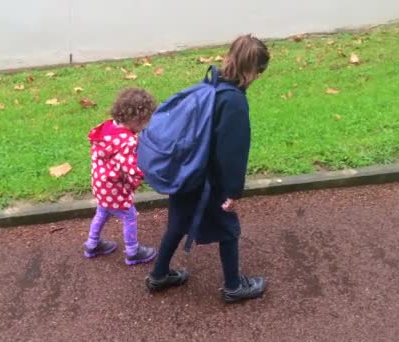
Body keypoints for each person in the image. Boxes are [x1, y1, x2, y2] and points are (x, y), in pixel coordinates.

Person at [145, 35, 270, 303]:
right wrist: (233, 191)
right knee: (229, 229)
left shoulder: (209, 84)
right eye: (260, 71)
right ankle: (234, 287)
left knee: (177, 224)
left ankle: (158, 275)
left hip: (186, 171)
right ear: (252, 70)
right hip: (208, 180)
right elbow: (231, 152)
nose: (259, 77)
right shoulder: (234, 101)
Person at [84, 88, 158, 265]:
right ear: (136, 119)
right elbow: (131, 168)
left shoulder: (107, 128)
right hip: (115, 188)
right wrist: (146, 173)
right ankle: (133, 251)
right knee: (129, 215)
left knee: (102, 211)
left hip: (101, 184)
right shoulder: (128, 141)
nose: (144, 126)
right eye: (144, 122)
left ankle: (92, 244)